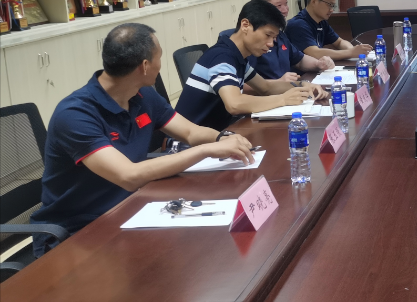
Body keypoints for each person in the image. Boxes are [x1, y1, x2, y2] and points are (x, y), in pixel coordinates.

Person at [30, 23, 256, 257]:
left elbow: (190, 132)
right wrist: (207, 150)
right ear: (145, 66)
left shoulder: (143, 95)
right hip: (77, 232)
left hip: (129, 209)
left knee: (203, 248)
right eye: (159, 57)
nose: (161, 64)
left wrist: (222, 137)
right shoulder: (75, 114)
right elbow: (129, 176)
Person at [176, 0, 328, 131]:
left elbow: (265, 87)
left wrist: (302, 85)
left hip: (216, 134)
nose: (271, 44)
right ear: (245, 25)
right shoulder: (222, 57)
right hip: (187, 143)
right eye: (267, 35)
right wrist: (283, 99)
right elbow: (234, 104)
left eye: (274, 38)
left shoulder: (238, 57)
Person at [247, 0, 335, 83]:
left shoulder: (280, 35)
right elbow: (240, 83)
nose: (285, 10)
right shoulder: (251, 40)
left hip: (288, 90)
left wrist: (318, 64)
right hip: (270, 93)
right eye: (279, 5)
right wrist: (278, 83)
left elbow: (299, 60)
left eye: (286, 3)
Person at [286, 0, 373, 59]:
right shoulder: (298, 25)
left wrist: (353, 50)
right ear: (314, 1)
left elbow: (339, 42)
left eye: (333, 6)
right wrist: (350, 53)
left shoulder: (321, 22)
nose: (332, 10)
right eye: (329, 5)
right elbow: (315, 53)